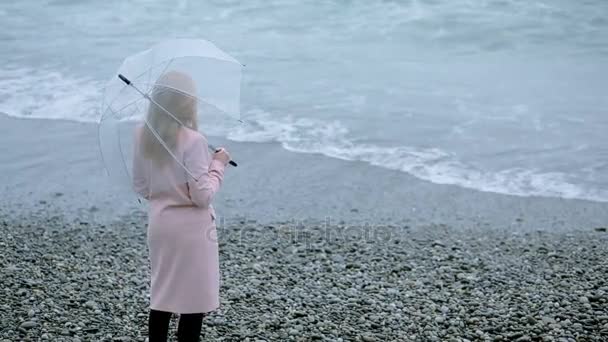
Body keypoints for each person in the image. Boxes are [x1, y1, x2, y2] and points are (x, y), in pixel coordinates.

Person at [131, 71, 231, 342]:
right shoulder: (194, 140)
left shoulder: (142, 134)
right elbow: (202, 196)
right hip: (192, 232)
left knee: (162, 295)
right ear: (185, 102)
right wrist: (218, 165)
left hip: (160, 226)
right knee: (193, 301)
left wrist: (166, 185)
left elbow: (141, 187)